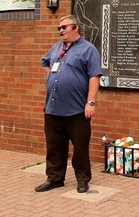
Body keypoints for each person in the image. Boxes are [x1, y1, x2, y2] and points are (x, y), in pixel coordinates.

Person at [35, 15, 102, 194]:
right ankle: (55, 178)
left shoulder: (88, 50)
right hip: (53, 108)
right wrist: (50, 75)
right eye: (59, 28)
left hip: (77, 110)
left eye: (64, 27)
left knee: (80, 148)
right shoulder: (56, 48)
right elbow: (44, 62)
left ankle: (82, 179)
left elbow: (94, 76)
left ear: (75, 28)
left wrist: (91, 102)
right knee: (54, 147)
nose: (61, 31)